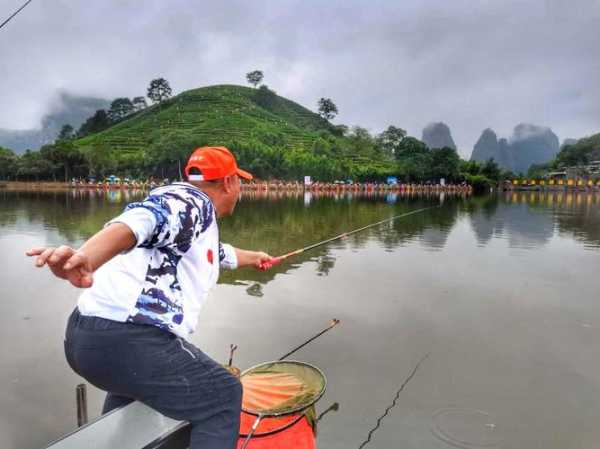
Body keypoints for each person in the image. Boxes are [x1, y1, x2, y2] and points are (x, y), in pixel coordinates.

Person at [26, 146, 273, 449]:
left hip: (85, 339)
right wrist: (88, 257)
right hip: (127, 339)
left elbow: (218, 253)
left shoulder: (194, 221)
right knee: (223, 396)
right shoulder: (191, 201)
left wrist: (257, 257)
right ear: (230, 183)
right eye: (239, 183)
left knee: (132, 390)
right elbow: (145, 218)